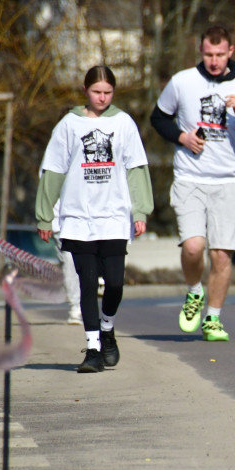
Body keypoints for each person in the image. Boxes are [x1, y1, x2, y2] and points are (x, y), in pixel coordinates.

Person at [150, 25, 235, 341]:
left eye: (219, 54)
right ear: (201, 52)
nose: (214, 61)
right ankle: (193, 292)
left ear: (231, 52)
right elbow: (158, 118)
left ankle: (213, 319)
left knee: (221, 255)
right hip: (189, 177)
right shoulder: (182, 82)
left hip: (228, 181)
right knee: (193, 246)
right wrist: (181, 137)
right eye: (208, 54)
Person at [36, 65, 154, 373]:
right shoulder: (68, 125)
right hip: (78, 216)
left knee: (114, 283)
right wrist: (45, 215)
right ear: (85, 90)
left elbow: (137, 169)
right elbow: (53, 171)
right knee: (87, 282)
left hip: (114, 215)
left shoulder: (124, 123)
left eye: (108, 92)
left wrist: (140, 211)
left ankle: (107, 327)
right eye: (96, 92)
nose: (102, 98)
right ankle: (92, 349)